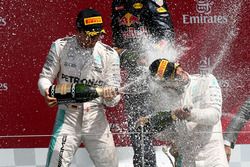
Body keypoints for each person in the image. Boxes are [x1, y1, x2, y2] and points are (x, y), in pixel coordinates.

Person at [38, 8, 121, 167]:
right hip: (68, 116)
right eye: (90, 35)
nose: (94, 39)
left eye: (98, 35)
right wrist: (47, 91)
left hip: (96, 118)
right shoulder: (60, 47)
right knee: (56, 164)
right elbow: (45, 78)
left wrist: (111, 97)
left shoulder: (110, 55)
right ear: (78, 31)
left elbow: (114, 98)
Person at [111, 1, 174, 166]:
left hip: (158, 74)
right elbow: (116, 44)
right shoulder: (117, 3)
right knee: (139, 129)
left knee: (174, 125)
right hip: (134, 77)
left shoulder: (154, 1)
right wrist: (131, 57)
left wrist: (152, 54)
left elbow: (167, 36)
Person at [138, 58, 229, 167]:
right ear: (165, 84)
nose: (181, 74)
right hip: (188, 161)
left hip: (213, 159)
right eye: (174, 76)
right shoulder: (165, 99)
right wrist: (150, 126)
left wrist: (190, 115)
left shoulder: (206, 80)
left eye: (178, 68)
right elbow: (168, 134)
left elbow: (214, 115)